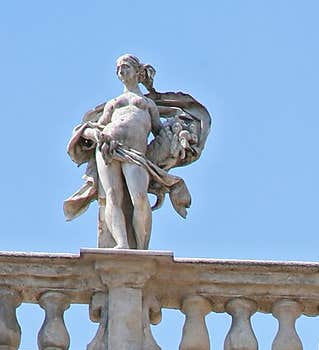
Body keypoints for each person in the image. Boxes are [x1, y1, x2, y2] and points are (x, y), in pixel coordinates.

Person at [64, 55, 211, 249]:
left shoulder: (147, 104)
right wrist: (95, 135)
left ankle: (141, 248)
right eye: (118, 69)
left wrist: (180, 133)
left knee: (139, 197)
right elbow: (95, 127)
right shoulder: (113, 103)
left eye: (125, 67)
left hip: (135, 152)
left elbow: (160, 131)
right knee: (111, 196)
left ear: (137, 71)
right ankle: (122, 244)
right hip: (108, 148)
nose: (121, 72)